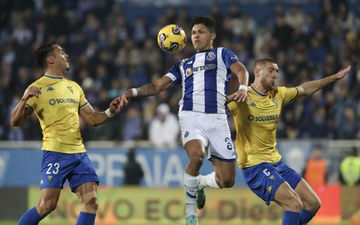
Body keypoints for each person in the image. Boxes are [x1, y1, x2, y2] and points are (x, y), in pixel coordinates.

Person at [116, 16, 249, 225]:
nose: (196, 35)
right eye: (193, 32)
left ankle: (201, 184)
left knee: (227, 180)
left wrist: (243, 88)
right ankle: (190, 213)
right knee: (196, 157)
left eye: (201, 32)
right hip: (191, 115)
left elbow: (241, 70)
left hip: (218, 119)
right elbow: (158, 86)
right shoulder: (183, 65)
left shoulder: (222, 54)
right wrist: (132, 92)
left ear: (212, 36)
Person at [10, 42, 123, 225]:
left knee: (91, 201)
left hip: (79, 153)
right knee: (47, 205)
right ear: (51, 59)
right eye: (61, 52)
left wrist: (110, 111)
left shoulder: (74, 87)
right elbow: (14, 121)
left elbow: (93, 119)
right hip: (56, 153)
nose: (67, 55)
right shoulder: (37, 88)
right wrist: (24, 99)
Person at [228, 58, 350, 225]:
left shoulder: (279, 94)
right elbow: (212, 108)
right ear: (257, 72)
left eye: (277, 71)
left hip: (276, 163)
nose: (275, 75)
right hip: (254, 166)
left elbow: (305, 89)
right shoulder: (242, 98)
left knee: (313, 203)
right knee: (294, 204)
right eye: (271, 71)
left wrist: (333, 78)